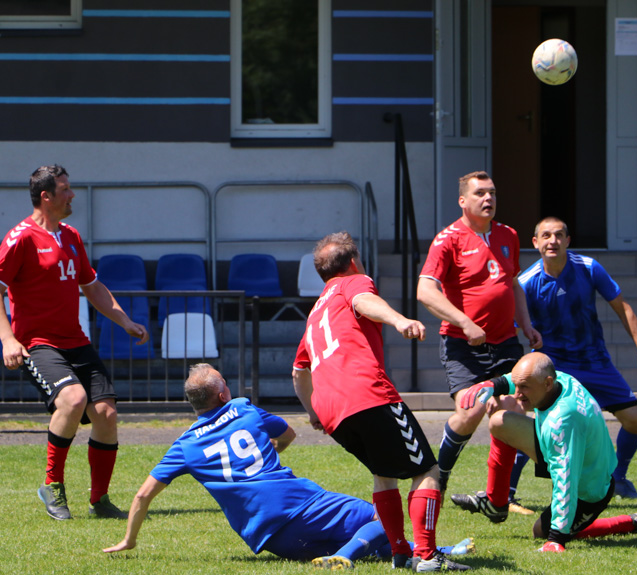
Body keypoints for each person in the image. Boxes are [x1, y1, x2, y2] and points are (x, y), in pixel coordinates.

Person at [102, 364, 475, 569]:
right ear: (223, 394)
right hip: (301, 503)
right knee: (380, 520)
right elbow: (289, 434)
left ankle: (433, 549)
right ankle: (346, 559)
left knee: (369, 539)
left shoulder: (184, 445)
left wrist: (129, 540)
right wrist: (271, 449)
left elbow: (142, 494)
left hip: (271, 538)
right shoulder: (244, 409)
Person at [292, 232, 469, 572]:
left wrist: (312, 411)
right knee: (427, 470)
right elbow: (363, 302)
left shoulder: (315, 312)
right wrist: (400, 320)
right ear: (354, 262)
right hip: (367, 394)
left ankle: (400, 551)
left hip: (332, 411)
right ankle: (428, 556)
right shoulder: (354, 282)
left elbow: (299, 371)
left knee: (382, 473)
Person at [0, 164, 149, 520]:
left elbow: (92, 286)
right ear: (46, 196)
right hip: (37, 344)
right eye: (65, 189)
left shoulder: (71, 235)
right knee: (74, 399)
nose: (72, 195)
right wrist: (7, 339)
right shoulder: (19, 238)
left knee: (106, 413)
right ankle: (52, 487)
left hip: (75, 341)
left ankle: (99, 500)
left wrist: (124, 320)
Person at [416, 170, 542, 516]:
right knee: (470, 411)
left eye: (492, 193)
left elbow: (513, 285)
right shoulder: (448, 239)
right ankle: (438, 476)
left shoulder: (508, 235)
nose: (488, 199)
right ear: (463, 201)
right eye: (480, 194)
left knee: (512, 415)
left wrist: (527, 326)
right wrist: (465, 322)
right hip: (462, 345)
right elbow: (425, 290)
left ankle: (497, 500)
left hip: (506, 344)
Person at [517, 217, 637, 498]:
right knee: (536, 426)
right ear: (535, 243)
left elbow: (624, 308)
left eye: (559, 235)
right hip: (553, 367)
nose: (553, 241)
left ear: (568, 241)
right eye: (546, 236)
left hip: (595, 362)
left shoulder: (588, 267)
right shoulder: (526, 282)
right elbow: (515, 328)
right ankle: (506, 492)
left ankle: (617, 479)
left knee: (635, 419)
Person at [457, 353, 637, 551]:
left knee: (541, 531)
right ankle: (496, 504)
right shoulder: (559, 379)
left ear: (548, 383)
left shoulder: (563, 421)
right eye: (517, 386)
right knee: (500, 422)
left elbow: (566, 480)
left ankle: (624, 523)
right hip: (570, 452)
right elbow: (518, 381)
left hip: (590, 488)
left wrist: (556, 539)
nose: (517, 394)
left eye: (524, 388)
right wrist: (491, 385)